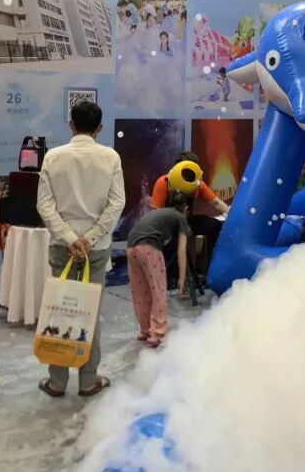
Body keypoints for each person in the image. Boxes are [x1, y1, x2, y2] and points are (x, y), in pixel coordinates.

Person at [36, 100, 125, 398]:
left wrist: (69, 237)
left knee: (58, 310)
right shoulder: (110, 157)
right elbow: (117, 203)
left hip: (62, 248)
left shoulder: (53, 157)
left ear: (71, 125)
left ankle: (56, 382)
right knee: (90, 312)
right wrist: (90, 237)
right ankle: (88, 380)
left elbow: (44, 205)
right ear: (100, 127)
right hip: (95, 250)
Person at [151, 151, 229, 293]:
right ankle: (170, 277)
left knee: (215, 226)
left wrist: (234, 215)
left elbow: (217, 203)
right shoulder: (164, 182)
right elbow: (155, 215)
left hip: (185, 221)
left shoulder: (198, 184)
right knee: (167, 240)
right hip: (166, 224)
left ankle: (211, 272)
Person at [126, 192, 191, 348]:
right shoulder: (180, 217)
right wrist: (182, 279)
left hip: (131, 246)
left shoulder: (160, 213)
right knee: (158, 291)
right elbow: (182, 250)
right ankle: (157, 332)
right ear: (186, 209)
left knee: (140, 291)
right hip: (150, 248)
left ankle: (145, 330)